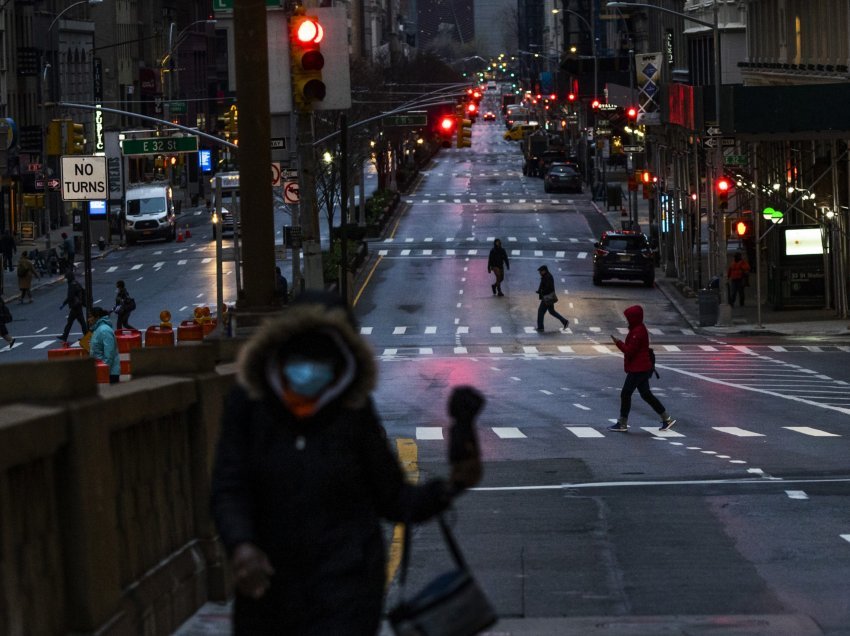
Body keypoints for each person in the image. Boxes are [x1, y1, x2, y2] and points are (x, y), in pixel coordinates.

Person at [210, 291, 484, 635]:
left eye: (325, 352)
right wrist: (242, 545)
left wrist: (451, 487)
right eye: (304, 349)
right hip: (268, 590)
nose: (312, 365)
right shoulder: (249, 404)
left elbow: (393, 498)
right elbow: (229, 486)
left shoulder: (353, 410)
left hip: (347, 590)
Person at [608, 305, 676, 432]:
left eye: (629, 318)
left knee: (626, 393)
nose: (627, 320)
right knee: (646, 394)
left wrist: (618, 343)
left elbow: (629, 351)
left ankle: (622, 423)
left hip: (638, 369)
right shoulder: (638, 329)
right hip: (642, 367)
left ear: (634, 318)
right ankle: (666, 419)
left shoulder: (637, 331)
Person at [88, 307, 120, 384]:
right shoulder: (97, 329)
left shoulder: (104, 330)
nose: (88, 320)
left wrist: (103, 371)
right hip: (102, 370)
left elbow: (109, 354)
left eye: (90, 317)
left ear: (97, 317)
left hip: (109, 373)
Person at [535, 264, 568, 332]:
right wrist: (539, 291)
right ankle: (565, 321)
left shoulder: (548, 277)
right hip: (548, 297)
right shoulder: (546, 276)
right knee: (552, 311)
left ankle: (540, 327)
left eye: (541, 271)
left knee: (540, 311)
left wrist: (542, 291)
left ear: (544, 271)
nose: (540, 273)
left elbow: (548, 287)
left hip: (547, 297)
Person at [58, 272, 88, 343]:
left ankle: (64, 336)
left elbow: (70, 296)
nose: (66, 279)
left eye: (66, 278)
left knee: (70, 322)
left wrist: (64, 304)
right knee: (81, 322)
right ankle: (86, 336)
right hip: (78, 305)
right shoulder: (76, 283)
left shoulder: (72, 285)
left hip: (75, 306)